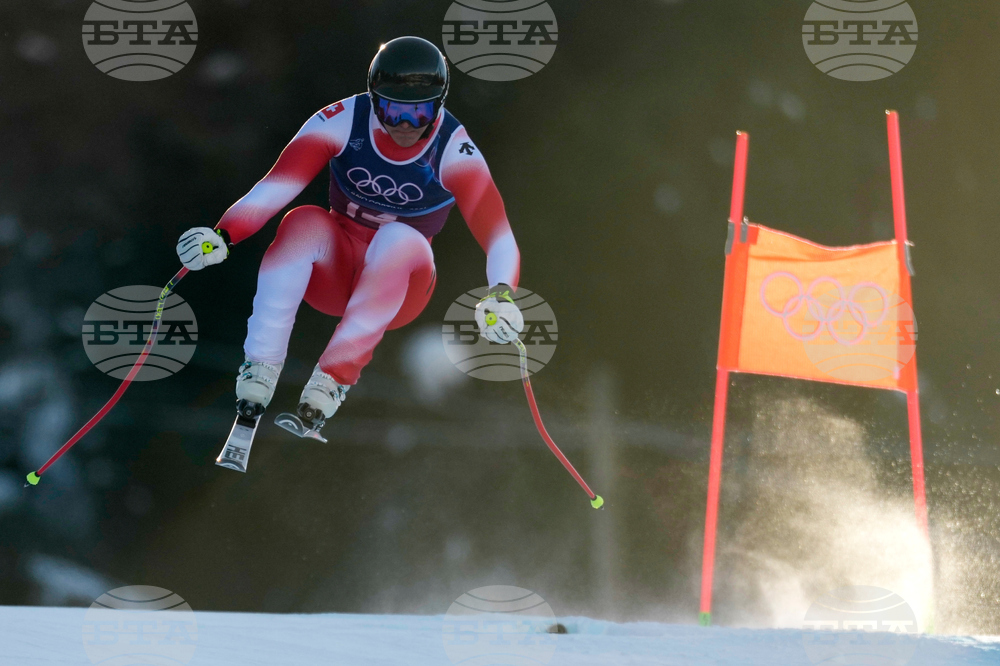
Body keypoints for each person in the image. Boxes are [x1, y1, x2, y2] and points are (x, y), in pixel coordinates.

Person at [175, 36, 523, 431]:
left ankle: (333, 379)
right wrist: (223, 235)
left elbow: (498, 234)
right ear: (375, 101)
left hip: (400, 285)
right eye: (393, 112)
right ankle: (260, 367)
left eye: (420, 112)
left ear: (439, 105)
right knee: (303, 220)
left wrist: (501, 293)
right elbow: (278, 185)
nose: (406, 126)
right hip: (335, 272)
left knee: (399, 238)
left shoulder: (453, 149)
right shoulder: (343, 119)